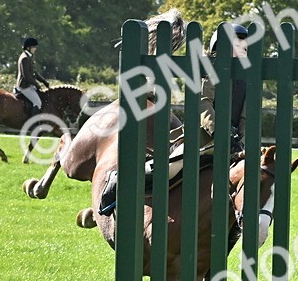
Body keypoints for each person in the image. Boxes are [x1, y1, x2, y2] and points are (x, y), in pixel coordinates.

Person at [98, 25, 249, 215]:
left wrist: (239, 141)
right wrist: (220, 133)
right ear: (222, 47)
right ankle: (119, 183)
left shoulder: (246, 79)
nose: (245, 48)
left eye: (246, 46)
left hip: (234, 145)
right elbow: (203, 104)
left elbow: (245, 115)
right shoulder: (210, 70)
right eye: (239, 45)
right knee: (168, 170)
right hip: (201, 141)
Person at [15, 37, 49, 118]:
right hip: (24, 85)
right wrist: (36, 84)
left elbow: (34, 72)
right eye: (34, 47)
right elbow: (26, 75)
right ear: (28, 47)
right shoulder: (25, 58)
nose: (35, 49)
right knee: (37, 103)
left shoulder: (29, 56)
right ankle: (32, 124)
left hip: (29, 84)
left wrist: (43, 81)